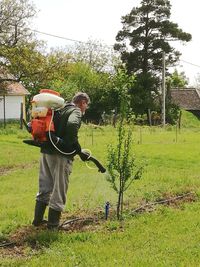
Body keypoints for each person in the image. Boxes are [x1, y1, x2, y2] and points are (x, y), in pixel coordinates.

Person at [32, 92, 90, 229]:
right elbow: (71, 125)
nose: (86, 108)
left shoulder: (59, 109)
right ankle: (53, 225)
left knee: (44, 187)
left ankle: (37, 221)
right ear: (82, 102)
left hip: (46, 152)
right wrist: (75, 147)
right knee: (59, 190)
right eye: (86, 105)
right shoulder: (75, 111)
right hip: (61, 156)